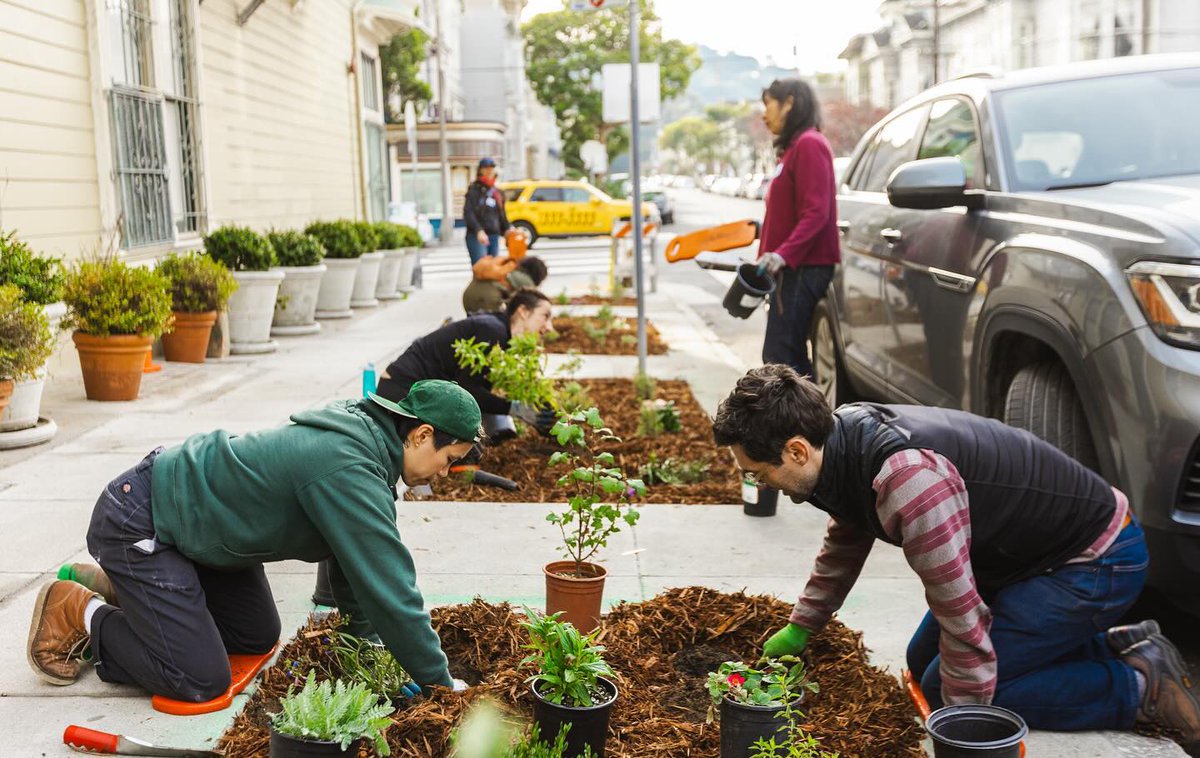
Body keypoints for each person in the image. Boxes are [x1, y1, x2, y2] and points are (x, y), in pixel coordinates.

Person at [712, 364, 1200, 749]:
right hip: (1021, 558)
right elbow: (849, 535)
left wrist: (966, 731)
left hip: (1096, 560)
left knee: (959, 692)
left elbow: (961, 614)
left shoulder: (910, 483)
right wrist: (804, 624)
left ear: (795, 450)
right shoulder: (837, 441)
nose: (756, 483)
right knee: (923, 660)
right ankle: (1115, 643)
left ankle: (1139, 688)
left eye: (756, 472)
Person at [27, 380, 483, 701]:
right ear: (421, 434)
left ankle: (127, 586)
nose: (444, 474)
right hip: (141, 519)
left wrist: (363, 651)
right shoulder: (349, 467)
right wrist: (439, 683)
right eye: (449, 459)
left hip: (199, 531)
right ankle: (77, 608)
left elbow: (357, 572)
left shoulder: (368, 451)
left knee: (255, 635)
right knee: (198, 677)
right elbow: (391, 590)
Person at [377, 288, 556, 432]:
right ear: (523, 311)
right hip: (401, 392)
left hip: (411, 391)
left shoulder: (499, 330)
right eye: (545, 316)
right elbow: (470, 390)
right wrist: (514, 409)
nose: (549, 327)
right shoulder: (493, 332)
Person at [755, 78, 840, 380]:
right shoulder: (794, 148)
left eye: (768, 105)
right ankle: (805, 425)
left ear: (789, 102)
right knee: (784, 357)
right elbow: (789, 213)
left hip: (805, 267)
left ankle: (807, 426)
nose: (764, 115)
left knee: (782, 359)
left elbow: (817, 213)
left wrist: (782, 255)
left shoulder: (809, 143)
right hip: (792, 268)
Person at [463, 255, 548, 315]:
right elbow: (535, 303)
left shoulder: (509, 267)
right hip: (486, 300)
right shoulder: (525, 281)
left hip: (468, 296)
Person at [464, 157, 509, 264]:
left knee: (493, 270)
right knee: (482, 269)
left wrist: (508, 229)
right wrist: (478, 230)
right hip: (477, 236)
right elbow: (468, 213)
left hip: (494, 235)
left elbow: (501, 216)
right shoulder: (474, 190)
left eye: (491, 168)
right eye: (486, 168)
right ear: (480, 170)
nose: (489, 171)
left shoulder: (497, 192)